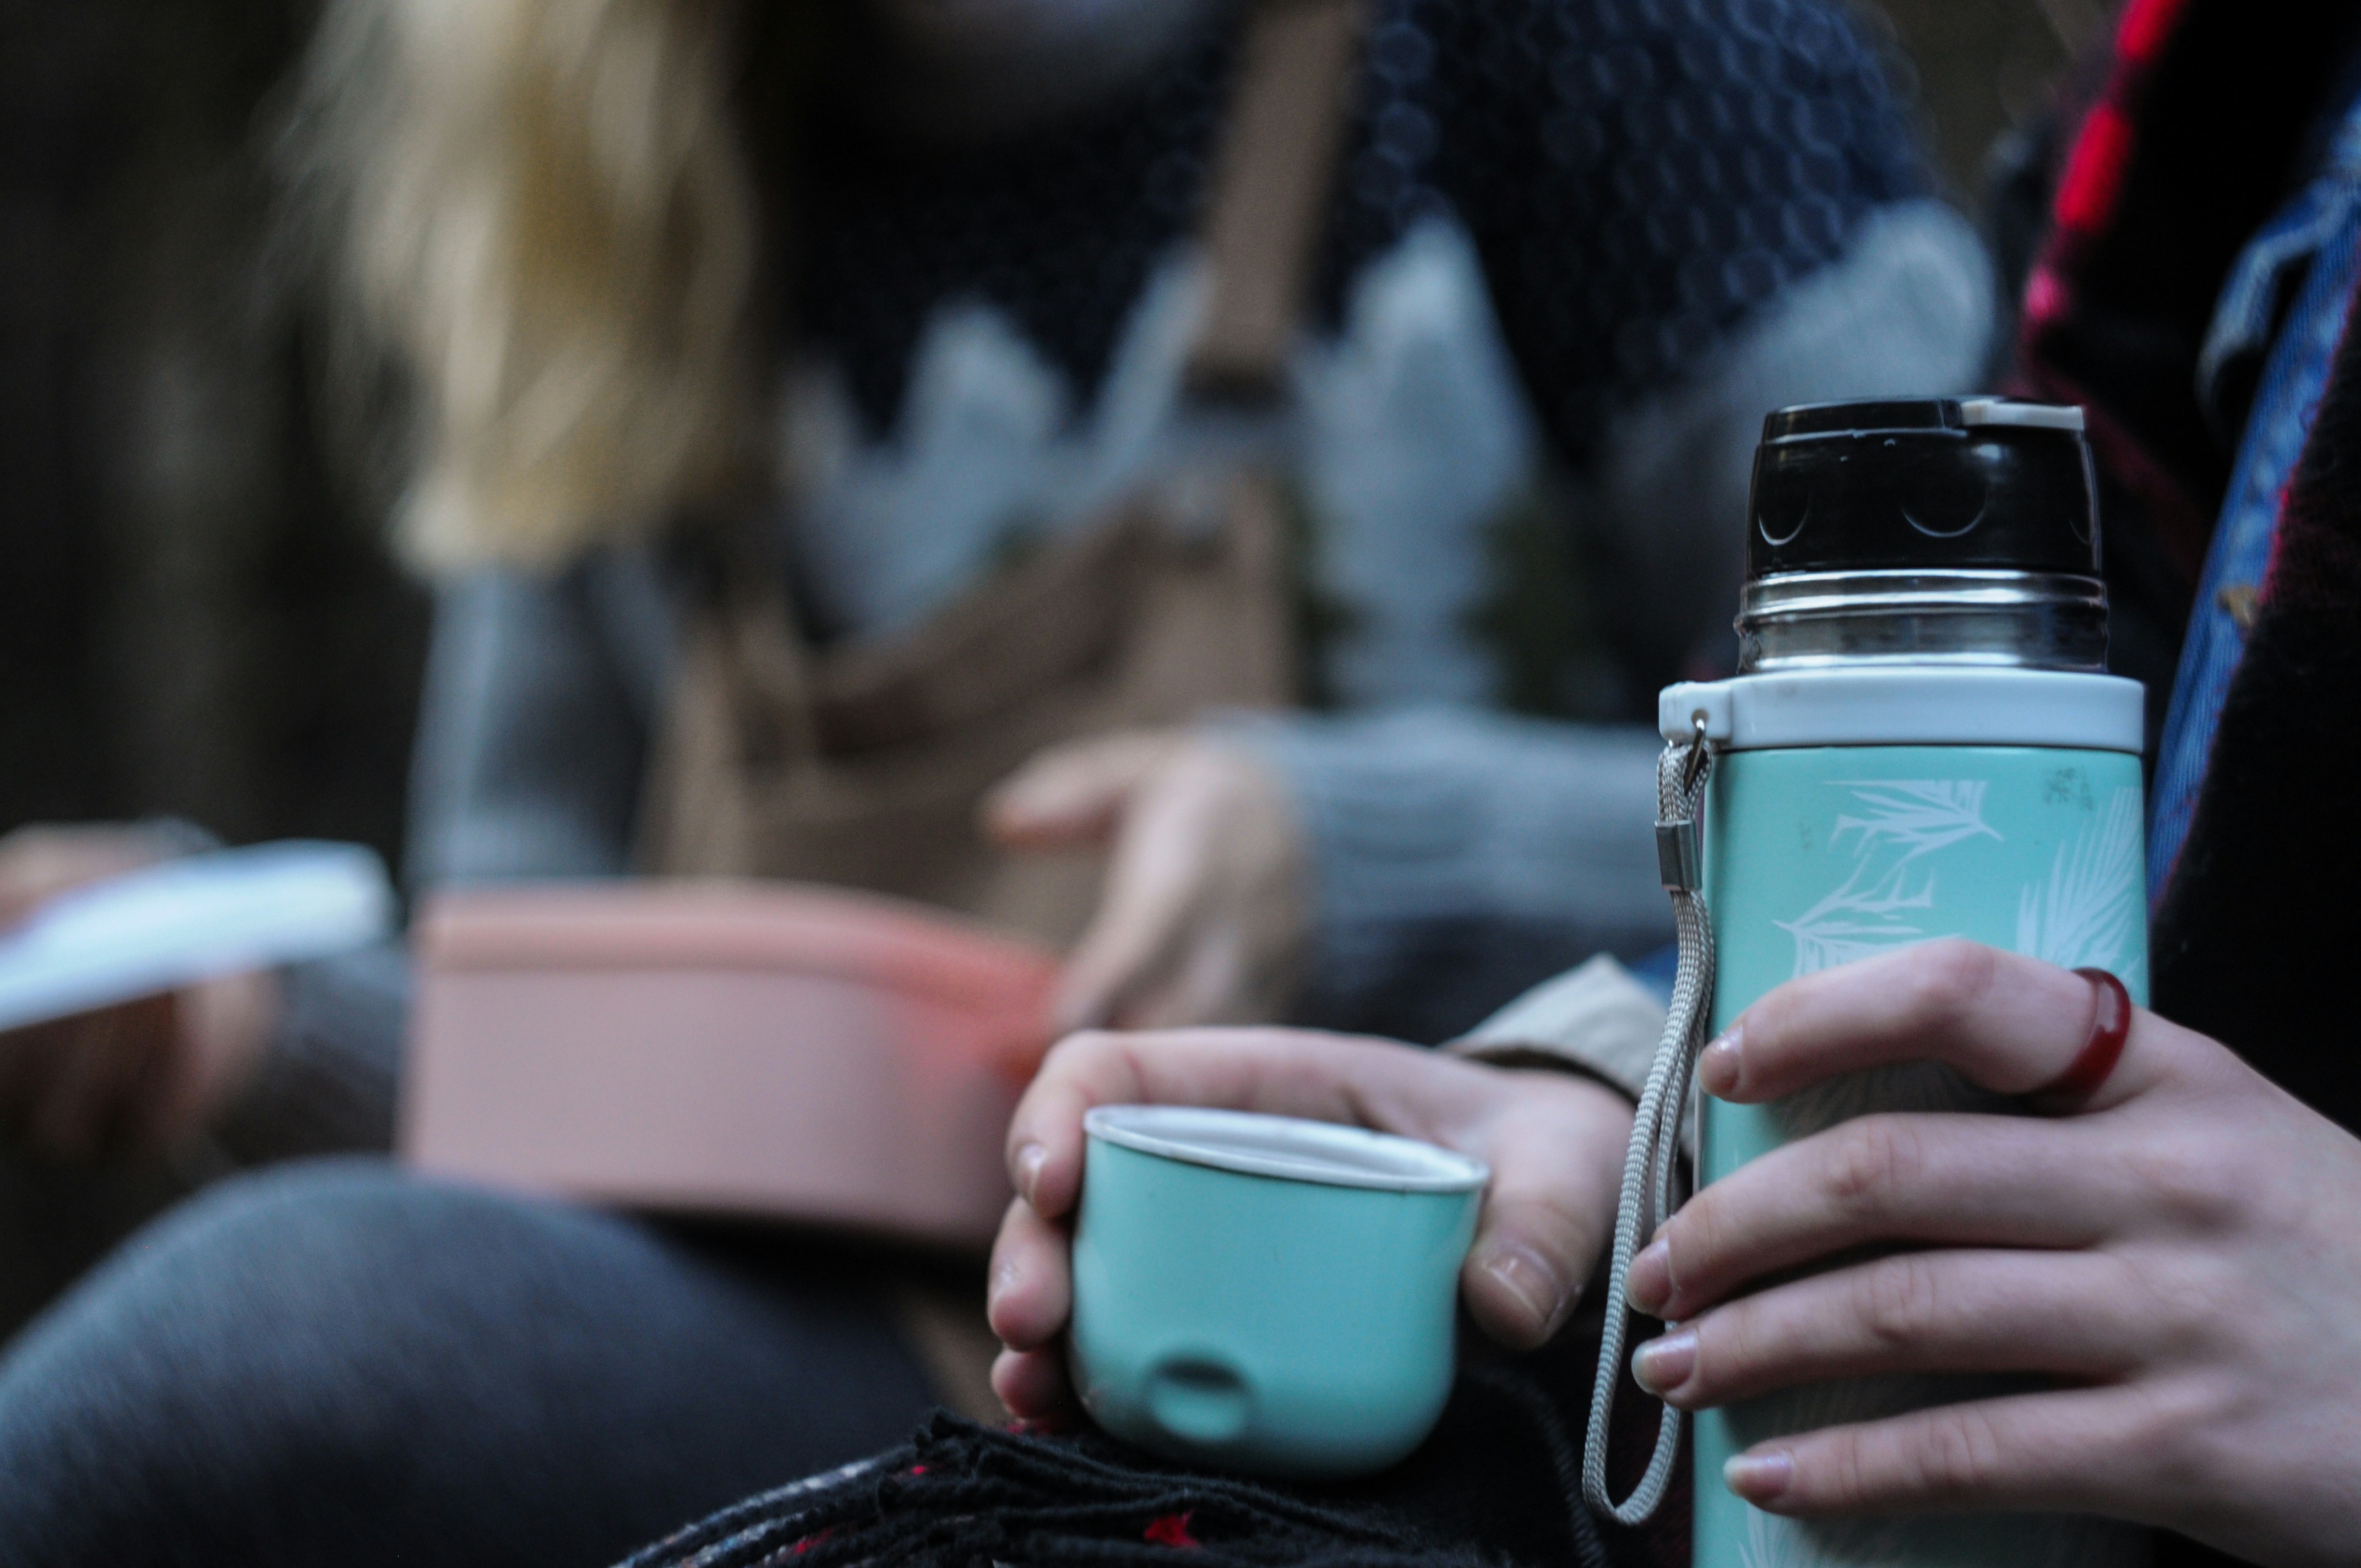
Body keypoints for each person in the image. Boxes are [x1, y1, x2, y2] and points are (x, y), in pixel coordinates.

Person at [0, 0, 1987, 1564]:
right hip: (873, 1345)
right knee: (245, 1348)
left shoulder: (1613, 57)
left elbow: (1991, 823)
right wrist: (256, 1012)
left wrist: (1366, 852)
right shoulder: (602, 155)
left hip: (1498, 1351)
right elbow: (559, 1076)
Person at [629, 0, 2361, 1564]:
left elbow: (1943, 772)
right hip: (886, 1245)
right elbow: (2079, 786)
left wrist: (1369, 853)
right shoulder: (2209, 103)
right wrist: (1614, 1081)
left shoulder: (1631, 64)